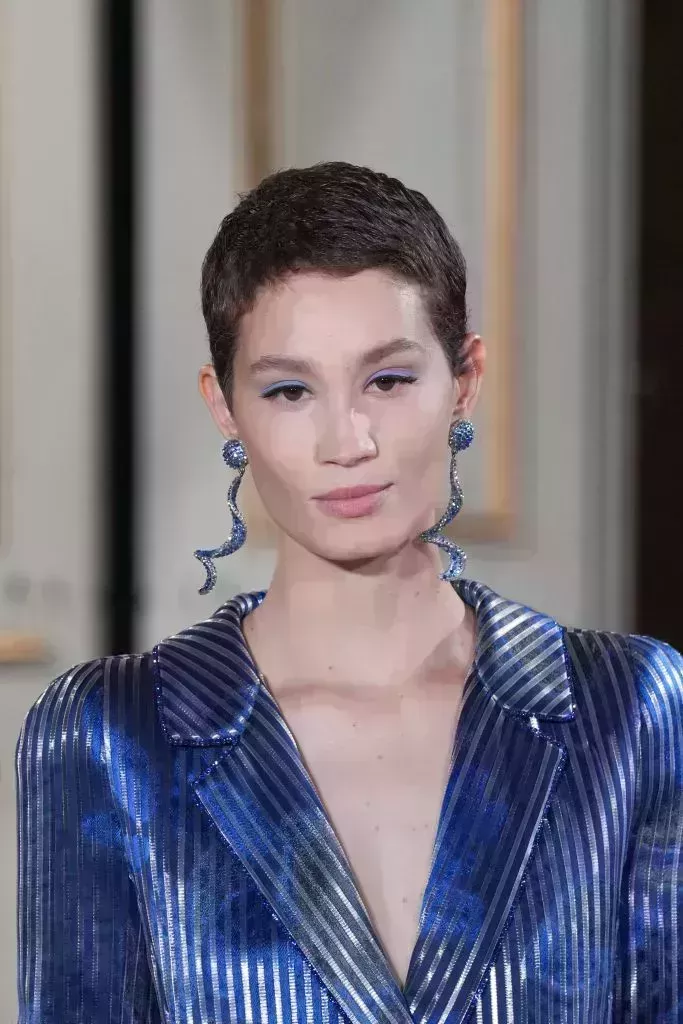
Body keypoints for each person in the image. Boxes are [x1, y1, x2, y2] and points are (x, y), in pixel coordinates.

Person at [15, 161, 682, 1024]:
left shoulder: (626, 713)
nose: (347, 441)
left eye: (388, 381)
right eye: (289, 390)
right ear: (225, 406)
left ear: (465, 380)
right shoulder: (111, 737)